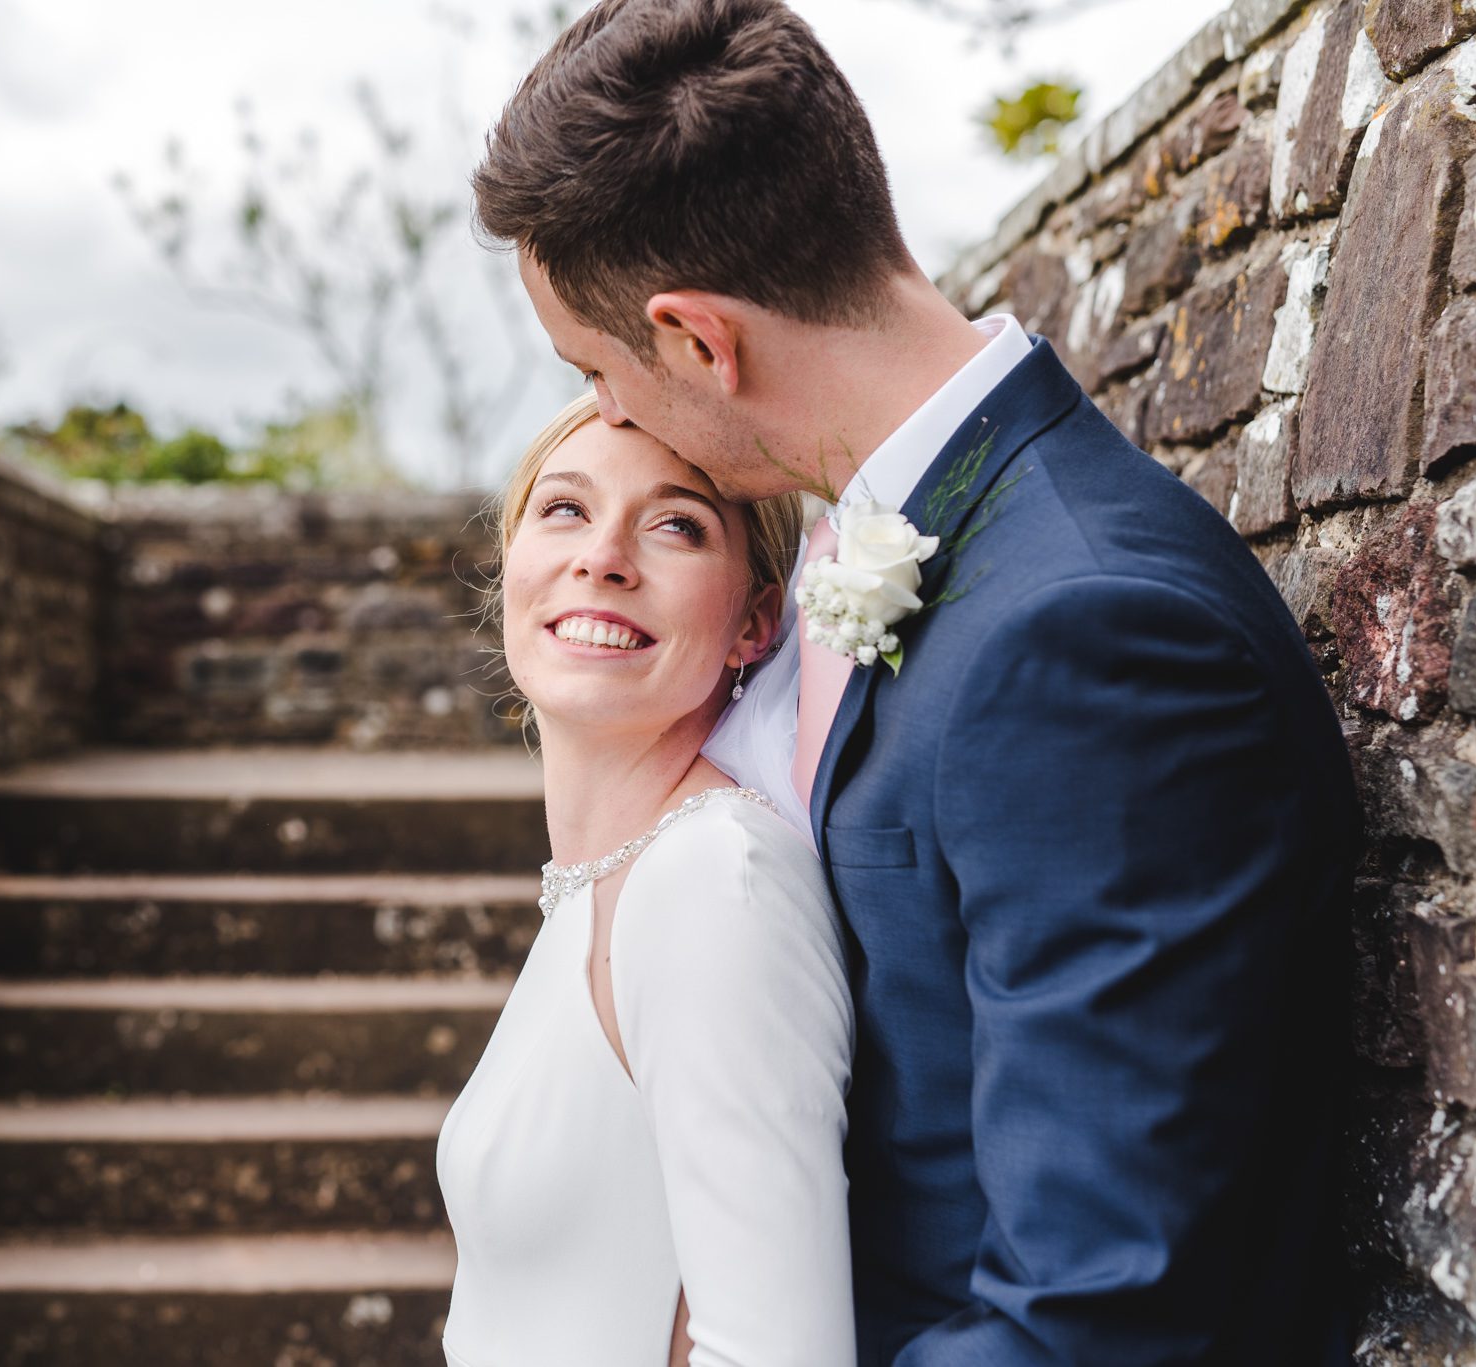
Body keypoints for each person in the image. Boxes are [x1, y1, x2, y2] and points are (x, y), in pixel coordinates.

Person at [470, 2, 1361, 1364]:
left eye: (599, 370)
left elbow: (1099, 1310)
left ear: (700, 341)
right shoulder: (910, 535)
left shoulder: (1086, 634)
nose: (610, 416)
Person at [435, 391, 856, 1365]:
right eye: (564, 508)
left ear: (755, 619)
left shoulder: (713, 881)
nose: (603, 556)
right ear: (511, 568)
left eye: (675, 524)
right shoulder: (602, 882)